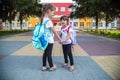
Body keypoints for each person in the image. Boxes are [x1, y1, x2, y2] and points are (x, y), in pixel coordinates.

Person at [41, 4, 61, 71]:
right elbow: (54, 31)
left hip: (44, 39)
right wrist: (59, 38)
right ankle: (52, 66)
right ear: (48, 11)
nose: (53, 14)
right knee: (49, 54)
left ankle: (44, 66)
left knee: (45, 53)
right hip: (49, 40)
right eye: (53, 12)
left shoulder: (43, 19)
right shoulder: (48, 21)